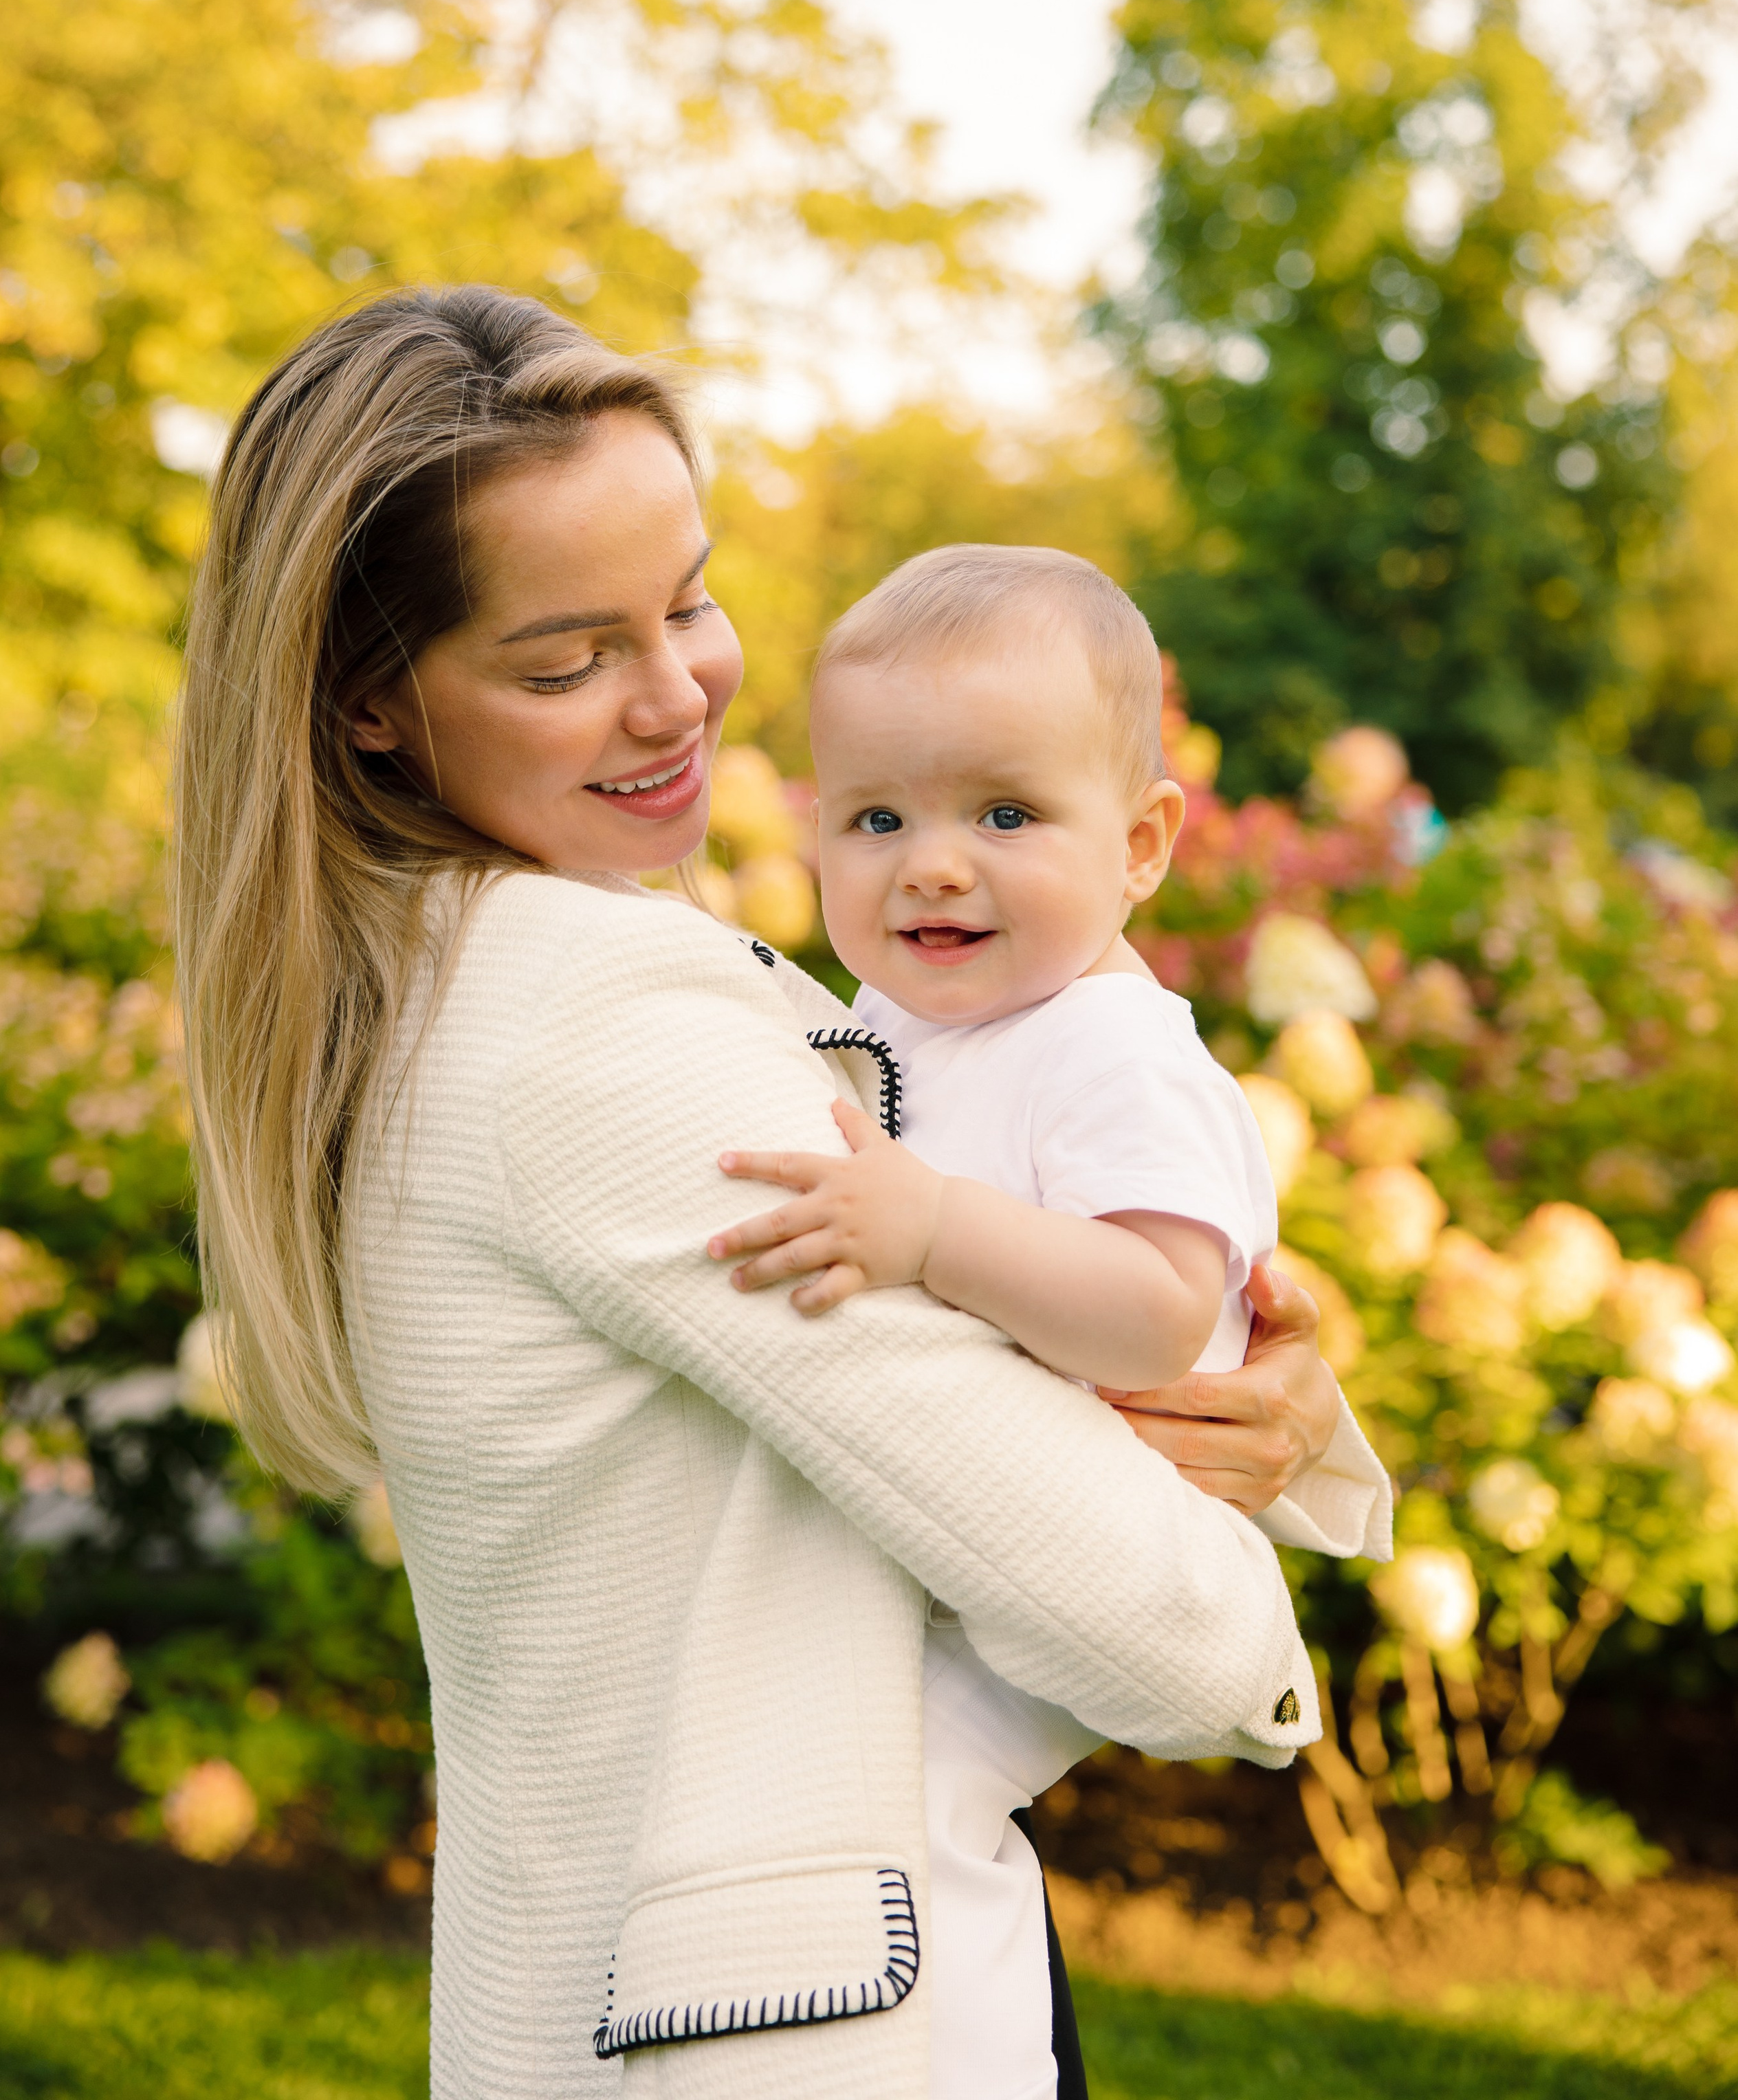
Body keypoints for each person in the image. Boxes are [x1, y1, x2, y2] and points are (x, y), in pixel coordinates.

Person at [172, 285, 1386, 2100]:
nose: (678, 697)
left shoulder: (442, 987)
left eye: (688, 600)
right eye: (567, 659)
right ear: (369, 706)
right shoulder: (592, 1029)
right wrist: (1233, 1559)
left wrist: (1240, 1390)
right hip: (790, 2030)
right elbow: (1160, 1631)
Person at [711, 543, 1390, 2099]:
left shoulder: (1107, 1050)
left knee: (900, 1789)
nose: (931, 866)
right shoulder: (886, 1022)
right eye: (876, 819)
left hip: (1095, 1535)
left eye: (1004, 815)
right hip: (951, 1514)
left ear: (1142, 843)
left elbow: (1158, 1315)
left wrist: (935, 1230)